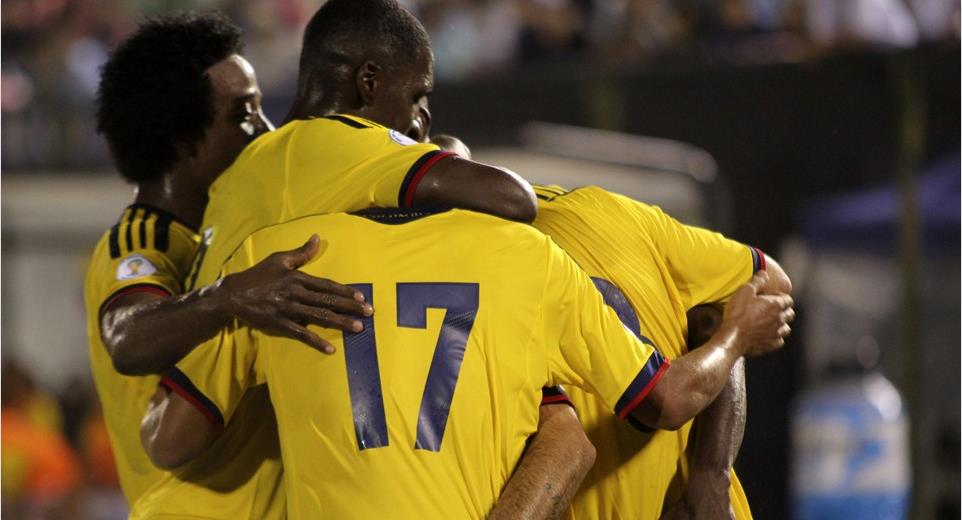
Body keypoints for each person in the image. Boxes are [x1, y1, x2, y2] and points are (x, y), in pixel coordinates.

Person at [140, 205, 792, 519]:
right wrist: (733, 338)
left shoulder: (283, 252)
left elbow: (742, 298)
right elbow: (592, 433)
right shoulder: (516, 259)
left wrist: (710, 470)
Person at [87, 11, 369, 514]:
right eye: (243, 113)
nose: (263, 130)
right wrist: (230, 296)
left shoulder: (232, 227)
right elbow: (125, 338)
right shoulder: (144, 240)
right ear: (181, 141)